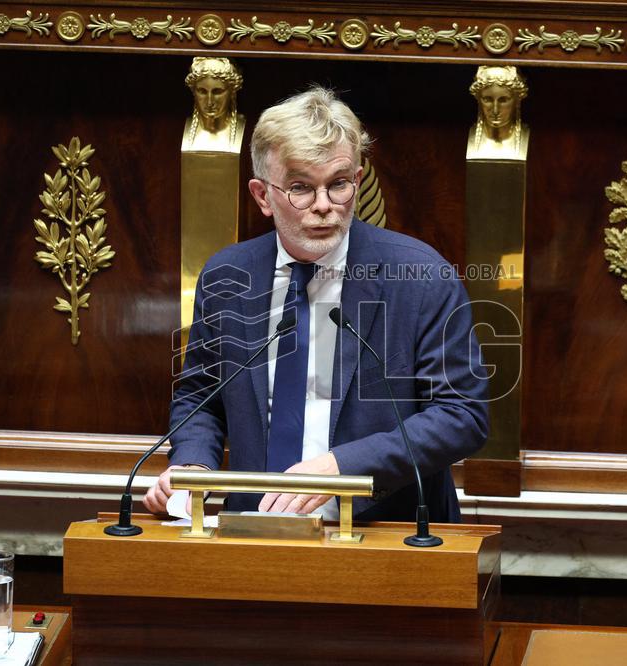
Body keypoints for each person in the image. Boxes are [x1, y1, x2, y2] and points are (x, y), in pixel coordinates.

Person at [145, 87, 488, 522]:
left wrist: (343, 468)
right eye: (301, 188)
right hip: (252, 533)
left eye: (338, 184)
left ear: (358, 181)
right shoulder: (227, 276)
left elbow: (462, 416)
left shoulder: (421, 276)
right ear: (262, 196)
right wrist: (192, 466)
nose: (324, 206)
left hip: (389, 529)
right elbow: (200, 397)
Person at [182, 57, 245, 152]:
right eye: (202, 91)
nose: (210, 102)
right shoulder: (182, 132)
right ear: (194, 91)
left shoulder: (242, 128)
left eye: (217, 92)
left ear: (232, 92)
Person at [467, 65, 528, 160]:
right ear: (478, 99)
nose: (495, 110)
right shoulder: (468, 137)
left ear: (517, 100)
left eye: (503, 100)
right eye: (487, 100)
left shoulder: (527, 137)